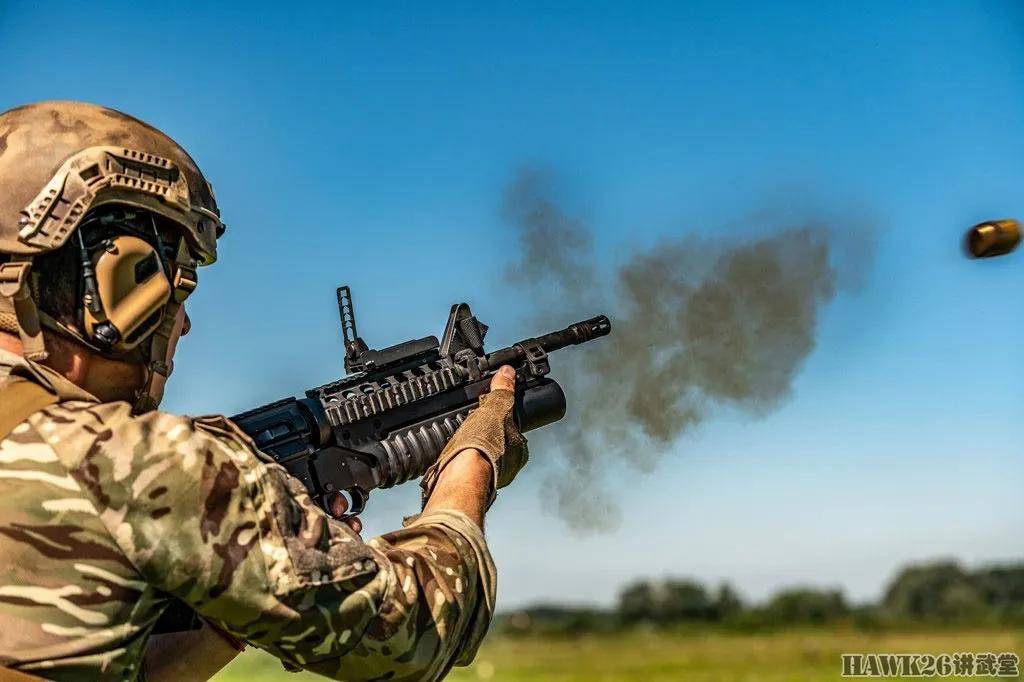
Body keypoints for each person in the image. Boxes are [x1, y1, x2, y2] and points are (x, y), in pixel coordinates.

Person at [0, 101, 528, 681]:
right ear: (116, 278)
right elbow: (418, 632)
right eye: (175, 288)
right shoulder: (132, 462)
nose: (183, 324)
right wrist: (472, 460)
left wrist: (230, 603)